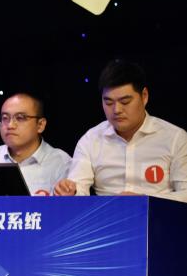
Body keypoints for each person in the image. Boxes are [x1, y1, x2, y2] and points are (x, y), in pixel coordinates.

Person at [54, 59, 187, 201]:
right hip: (108, 214)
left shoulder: (174, 138)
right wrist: (71, 191)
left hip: (158, 214)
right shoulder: (91, 140)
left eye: (125, 102)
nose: (116, 110)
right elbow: (78, 188)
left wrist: (144, 200)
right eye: (108, 102)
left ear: (144, 96)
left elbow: (185, 193)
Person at [0, 92, 71, 195]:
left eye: (20, 118)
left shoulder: (61, 163)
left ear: (40, 125)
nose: (10, 125)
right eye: (5, 118)